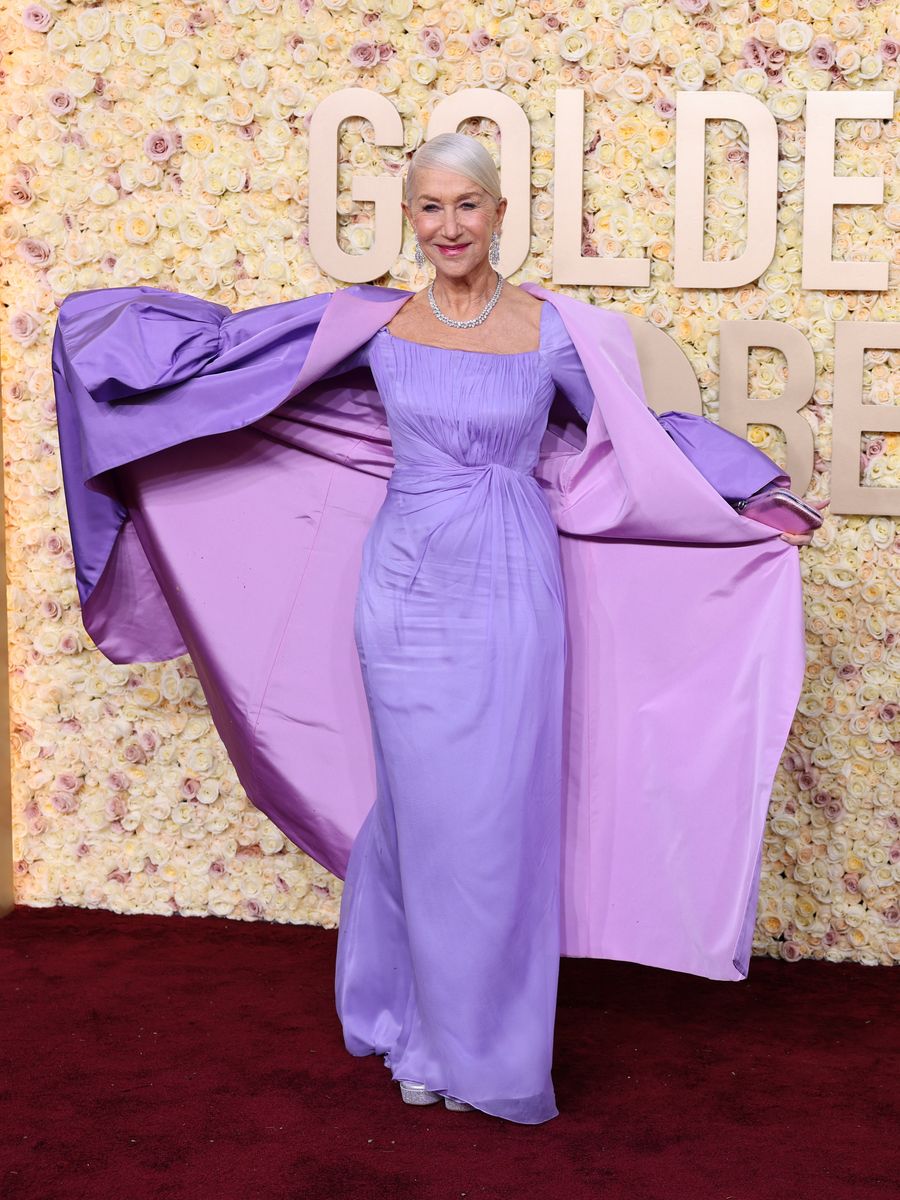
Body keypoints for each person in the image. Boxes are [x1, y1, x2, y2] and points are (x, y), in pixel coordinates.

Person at [51, 132, 814, 1129]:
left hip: (510, 591)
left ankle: (474, 1047)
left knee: (493, 821)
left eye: (467, 205)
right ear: (409, 219)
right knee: (420, 812)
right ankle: (410, 1025)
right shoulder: (372, 326)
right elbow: (235, 376)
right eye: (429, 208)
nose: (448, 225)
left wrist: (745, 491)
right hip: (402, 593)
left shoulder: (553, 332)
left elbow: (640, 435)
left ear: (500, 214)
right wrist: (111, 346)